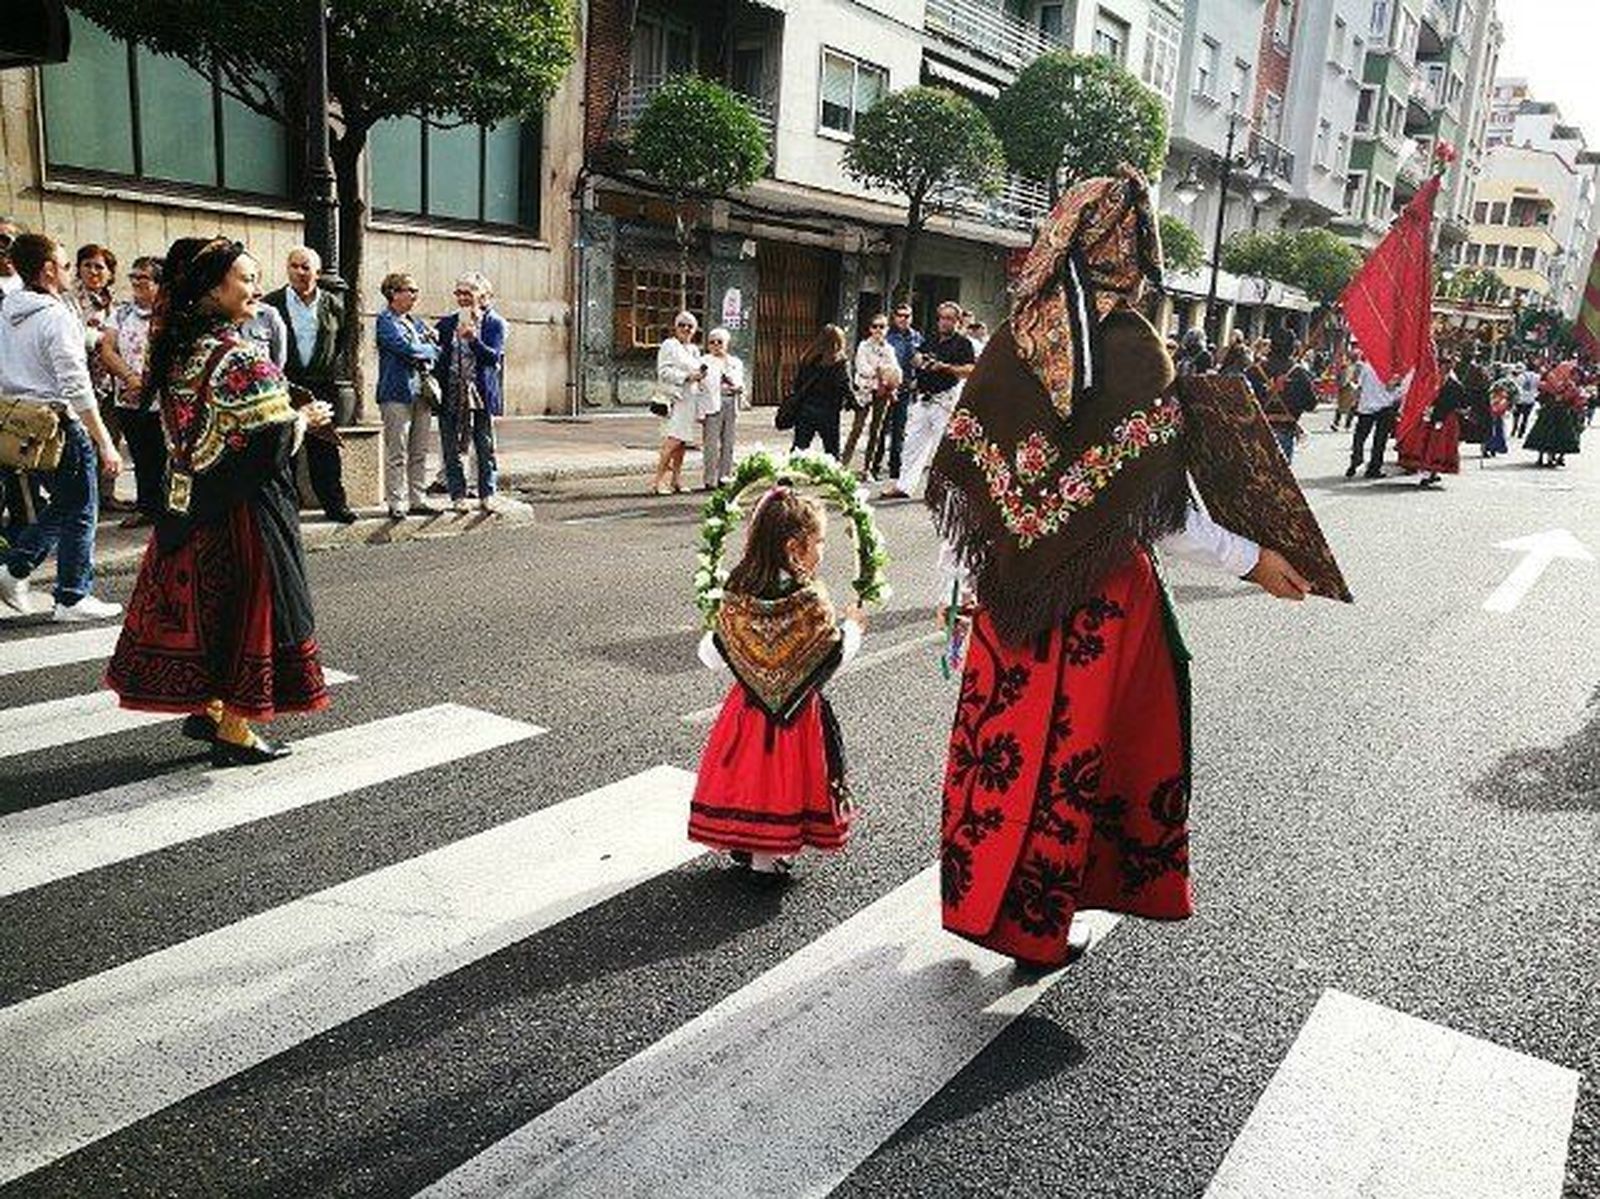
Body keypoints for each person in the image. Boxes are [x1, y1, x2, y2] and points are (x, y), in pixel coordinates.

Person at [925, 168, 1309, 971]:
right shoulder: (1135, 350)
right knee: (1079, 762)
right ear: (1135, 249)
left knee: (1001, 749)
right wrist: (1256, 560)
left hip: (1007, 599)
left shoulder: (1012, 340)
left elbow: (962, 479)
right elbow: (1162, 514)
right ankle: (1039, 925)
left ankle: (978, 901)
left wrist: (961, 586)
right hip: (1101, 610)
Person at [106, 238, 334, 766]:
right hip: (246, 511)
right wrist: (306, 419)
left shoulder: (181, 348)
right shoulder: (238, 357)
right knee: (253, 613)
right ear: (214, 288)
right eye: (246, 279)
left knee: (208, 609)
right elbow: (271, 441)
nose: (256, 289)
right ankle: (235, 728)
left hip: (190, 499)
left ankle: (207, 707)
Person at [687, 485, 866, 876]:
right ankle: (767, 861)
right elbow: (832, 656)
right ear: (793, 547)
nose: (823, 549)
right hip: (797, 717)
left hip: (747, 710)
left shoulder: (738, 593)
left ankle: (748, 845)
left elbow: (711, 655)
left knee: (748, 777)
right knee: (782, 781)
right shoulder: (810, 600)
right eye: (819, 540)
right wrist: (853, 627)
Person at [0, 233, 124, 621]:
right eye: (66, 264)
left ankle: (14, 568)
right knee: (83, 507)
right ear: (49, 269)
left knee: (68, 503)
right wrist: (104, 441)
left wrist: (88, 336)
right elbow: (75, 384)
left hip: (22, 422)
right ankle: (71, 595)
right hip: (59, 423)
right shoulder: (54, 315)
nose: (71, 271)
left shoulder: (8, 310)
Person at [264, 246, 357, 524]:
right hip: (285, 384)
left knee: (324, 447)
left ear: (317, 272)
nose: (299, 272)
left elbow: (341, 342)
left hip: (321, 383)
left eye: (306, 267)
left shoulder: (333, 304)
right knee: (287, 445)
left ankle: (335, 505)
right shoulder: (272, 304)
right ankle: (286, 508)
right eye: (294, 266)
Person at [880, 300, 975, 499]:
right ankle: (904, 486)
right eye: (941, 318)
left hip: (945, 400)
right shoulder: (930, 339)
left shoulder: (963, 343)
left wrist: (944, 367)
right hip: (923, 398)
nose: (944, 322)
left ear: (957, 321)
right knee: (912, 444)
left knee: (945, 449)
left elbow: (970, 370)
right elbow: (918, 357)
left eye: (949, 319)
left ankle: (945, 491)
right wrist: (918, 360)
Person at [435, 271, 506, 512]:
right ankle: (457, 495)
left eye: (468, 293)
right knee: (451, 446)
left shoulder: (494, 323)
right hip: (451, 392)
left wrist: (473, 339)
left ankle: (487, 492)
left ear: (483, 296)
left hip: (479, 394)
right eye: (459, 293)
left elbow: (493, 357)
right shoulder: (446, 323)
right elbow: (437, 357)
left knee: (483, 444)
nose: (463, 298)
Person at [102, 255, 163, 527]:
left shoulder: (169, 314)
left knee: (164, 454)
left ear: (159, 283)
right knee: (140, 453)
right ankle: (147, 506)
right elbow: (107, 350)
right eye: (134, 276)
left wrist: (146, 384)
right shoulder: (122, 312)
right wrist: (130, 378)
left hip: (162, 397)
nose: (137, 282)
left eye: (144, 277)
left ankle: (168, 509)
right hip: (128, 395)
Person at [374, 271, 440, 519]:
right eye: (409, 290)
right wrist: (430, 349)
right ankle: (397, 501)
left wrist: (429, 349)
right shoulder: (385, 321)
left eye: (416, 291)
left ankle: (418, 499)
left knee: (419, 450)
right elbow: (406, 348)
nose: (415, 295)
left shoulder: (415, 322)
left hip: (421, 393)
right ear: (393, 293)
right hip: (396, 393)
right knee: (397, 451)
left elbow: (436, 346)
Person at [73, 243, 129, 514]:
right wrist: (96, 338)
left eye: (100, 267)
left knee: (110, 436)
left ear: (110, 273)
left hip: (109, 381)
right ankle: (84, 498)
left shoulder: (114, 302)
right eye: (88, 265)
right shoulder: (70, 299)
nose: (94, 271)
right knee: (84, 441)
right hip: (81, 379)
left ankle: (106, 495)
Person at [652, 310, 705, 495]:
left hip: (689, 401)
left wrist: (700, 377)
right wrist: (687, 376)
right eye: (681, 324)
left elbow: (698, 373)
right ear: (675, 327)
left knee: (681, 445)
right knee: (671, 442)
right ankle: (658, 481)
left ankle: (676, 480)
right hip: (675, 401)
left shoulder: (694, 350)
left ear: (695, 329)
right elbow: (663, 372)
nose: (685, 328)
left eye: (690, 326)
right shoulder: (669, 345)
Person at [1400, 350, 1468, 488]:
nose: (1443, 368)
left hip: (1445, 418)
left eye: (1445, 366)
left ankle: (1432, 472)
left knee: (1438, 447)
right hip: (1432, 416)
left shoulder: (1452, 384)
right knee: (1429, 445)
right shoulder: (1432, 382)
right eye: (1442, 365)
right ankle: (1428, 472)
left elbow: (1462, 404)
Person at [843, 313, 901, 473]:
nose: (878, 330)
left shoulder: (890, 349)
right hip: (865, 391)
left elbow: (896, 371)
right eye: (875, 326)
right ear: (869, 329)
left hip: (882, 392)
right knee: (857, 428)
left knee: (876, 431)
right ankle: (843, 465)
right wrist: (881, 370)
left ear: (887, 329)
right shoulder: (863, 346)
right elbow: (862, 368)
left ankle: (866, 469)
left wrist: (883, 372)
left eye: (882, 326)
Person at [788, 324, 853, 458]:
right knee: (831, 451)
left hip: (806, 409)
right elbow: (845, 385)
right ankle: (831, 478)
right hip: (829, 412)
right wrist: (854, 403)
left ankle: (788, 477)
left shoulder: (808, 357)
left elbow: (797, 383)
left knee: (799, 448)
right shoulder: (839, 361)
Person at [874, 303, 920, 482]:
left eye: (907, 315)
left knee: (899, 431)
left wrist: (917, 379)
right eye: (900, 315)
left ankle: (895, 468)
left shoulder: (916, 337)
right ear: (894, 317)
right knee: (880, 429)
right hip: (886, 389)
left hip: (905, 390)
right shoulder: (888, 337)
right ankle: (874, 466)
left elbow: (920, 361)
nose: (903, 318)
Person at [700, 326, 744, 490]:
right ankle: (709, 479)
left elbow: (741, 383)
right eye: (712, 342)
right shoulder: (704, 361)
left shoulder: (735, 362)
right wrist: (700, 412)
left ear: (727, 343)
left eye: (720, 342)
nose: (716, 345)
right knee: (710, 444)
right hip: (712, 404)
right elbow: (699, 388)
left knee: (728, 442)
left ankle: (725, 476)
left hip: (731, 402)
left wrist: (736, 386)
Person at [1347, 357, 1403, 478]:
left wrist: (1354, 403)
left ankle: (1356, 457)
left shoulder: (1366, 367)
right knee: (1380, 440)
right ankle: (1374, 468)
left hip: (1366, 406)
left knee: (1360, 437)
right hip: (1385, 407)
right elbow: (1393, 389)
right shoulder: (1392, 370)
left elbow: (1359, 387)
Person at [1524, 357, 1584, 468]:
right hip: (1557, 413)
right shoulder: (1564, 384)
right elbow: (1542, 395)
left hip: (1555, 412)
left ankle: (1549, 457)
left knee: (1548, 435)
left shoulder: (1567, 385)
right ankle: (1548, 458)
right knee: (1551, 436)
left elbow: (1542, 394)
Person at [1332, 347, 1361, 431]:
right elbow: (1339, 376)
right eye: (1354, 356)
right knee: (1341, 406)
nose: (1355, 357)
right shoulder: (1345, 365)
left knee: (1352, 407)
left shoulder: (1359, 366)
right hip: (1344, 388)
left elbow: (1359, 377)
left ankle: (1347, 425)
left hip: (1353, 388)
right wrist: (1339, 384)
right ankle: (1336, 423)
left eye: (1356, 356)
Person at [1513, 360, 1540, 438]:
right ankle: (1521, 432)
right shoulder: (1537, 377)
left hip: (1520, 399)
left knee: (1516, 415)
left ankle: (1514, 428)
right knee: (1526, 417)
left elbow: (1517, 386)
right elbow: (1538, 387)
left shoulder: (1521, 376)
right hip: (1530, 399)